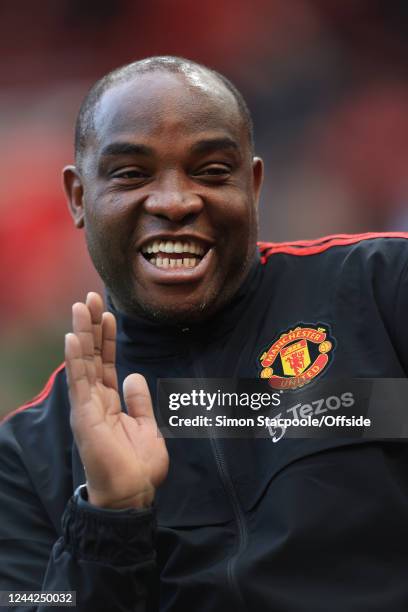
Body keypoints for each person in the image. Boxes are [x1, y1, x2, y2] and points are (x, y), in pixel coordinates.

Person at [1, 56, 408, 612]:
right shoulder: (27, 457)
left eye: (213, 171)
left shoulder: (381, 291)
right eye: (131, 174)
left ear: (254, 184)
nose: (175, 202)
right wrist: (110, 517)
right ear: (77, 197)